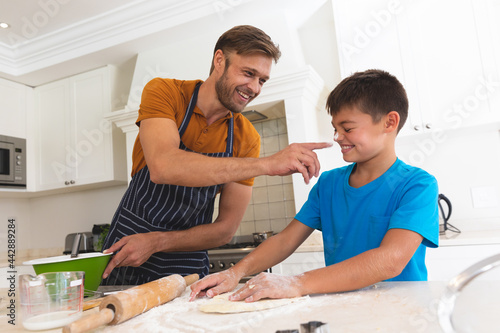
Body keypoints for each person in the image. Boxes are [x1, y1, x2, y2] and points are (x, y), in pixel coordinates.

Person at [100, 25, 331, 285]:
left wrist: (157, 242)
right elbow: (163, 165)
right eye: (248, 73)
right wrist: (267, 164)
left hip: (184, 266)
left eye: (262, 80)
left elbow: (224, 230)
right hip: (126, 254)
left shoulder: (246, 138)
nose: (254, 87)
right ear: (219, 60)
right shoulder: (166, 93)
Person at [189, 69, 439, 302]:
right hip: (343, 307)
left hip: (402, 311)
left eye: (347, 128)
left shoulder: (417, 185)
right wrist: (235, 272)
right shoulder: (330, 184)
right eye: (335, 128)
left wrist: (297, 283)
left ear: (389, 122)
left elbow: (390, 260)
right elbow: (285, 240)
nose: (337, 137)